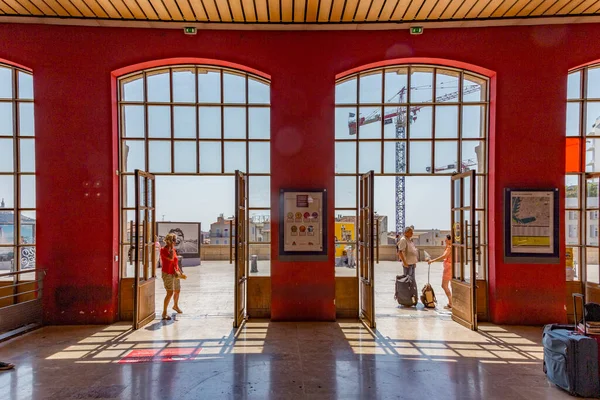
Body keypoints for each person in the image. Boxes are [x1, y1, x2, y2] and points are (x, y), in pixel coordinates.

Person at [160, 233, 184, 320]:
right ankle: (164, 312)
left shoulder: (173, 249)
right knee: (169, 292)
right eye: (174, 240)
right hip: (167, 273)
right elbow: (170, 258)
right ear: (170, 241)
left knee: (177, 290)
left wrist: (179, 271)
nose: (175, 242)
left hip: (175, 272)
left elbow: (175, 261)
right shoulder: (163, 250)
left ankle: (175, 306)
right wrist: (170, 249)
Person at [428, 234, 453, 309]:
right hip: (451, 268)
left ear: (449, 240)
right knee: (451, 286)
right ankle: (452, 302)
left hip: (448, 269)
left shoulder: (449, 247)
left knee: (444, 285)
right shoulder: (451, 247)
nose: (445, 241)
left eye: (446, 239)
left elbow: (444, 256)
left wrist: (433, 260)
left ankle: (451, 302)